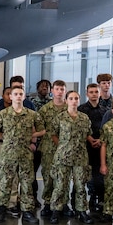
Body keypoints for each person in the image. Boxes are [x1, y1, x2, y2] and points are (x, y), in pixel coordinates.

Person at [0, 86, 45, 225]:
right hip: (8, 154)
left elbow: (42, 130)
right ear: (10, 97)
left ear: (24, 97)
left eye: (21, 94)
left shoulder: (32, 114)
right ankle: (1, 210)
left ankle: (27, 212)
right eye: (15, 94)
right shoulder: (3, 114)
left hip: (25, 155)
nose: (18, 96)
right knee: (5, 183)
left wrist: (30, 136)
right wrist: (7, 138)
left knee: (27, 184)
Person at [48, 91, 94, 224]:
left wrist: (92, 141)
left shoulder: (84, 118)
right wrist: (62, 146)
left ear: (79, 101)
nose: (74, 101)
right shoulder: (60, 118)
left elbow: (87, 134)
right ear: (66, 101)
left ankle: (81, 211)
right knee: (60, 185)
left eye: (76, 98)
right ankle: (56, 210)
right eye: (71, 98)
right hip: (63, 157)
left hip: (80, 157)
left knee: (80, 185)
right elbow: (53, 134)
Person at [36, 80, 68, 214]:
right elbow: (39, 128)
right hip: (49, 148)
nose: (59, 92)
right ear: (52, 91)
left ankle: (63, 203)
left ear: (65, 91)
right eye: (57, 89)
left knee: (64, 176)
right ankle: (48, 202)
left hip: (66, 149)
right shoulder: (44, 110)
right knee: (48, 176)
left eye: (62, 89)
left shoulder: (70, 108)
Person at [79, 83, 106, 214]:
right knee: (85, 175)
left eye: (96, 92)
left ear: (100, 93)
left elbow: (107, 128)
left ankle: (100, 199)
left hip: (101, 146)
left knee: (99, 175)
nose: (94, 94)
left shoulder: (105, 110)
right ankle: (87, 200)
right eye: (91, 92)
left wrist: (100, 140)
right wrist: (90, 139)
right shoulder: (81, 109)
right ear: (87, 93)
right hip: (86, 146)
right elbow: (81, 128)